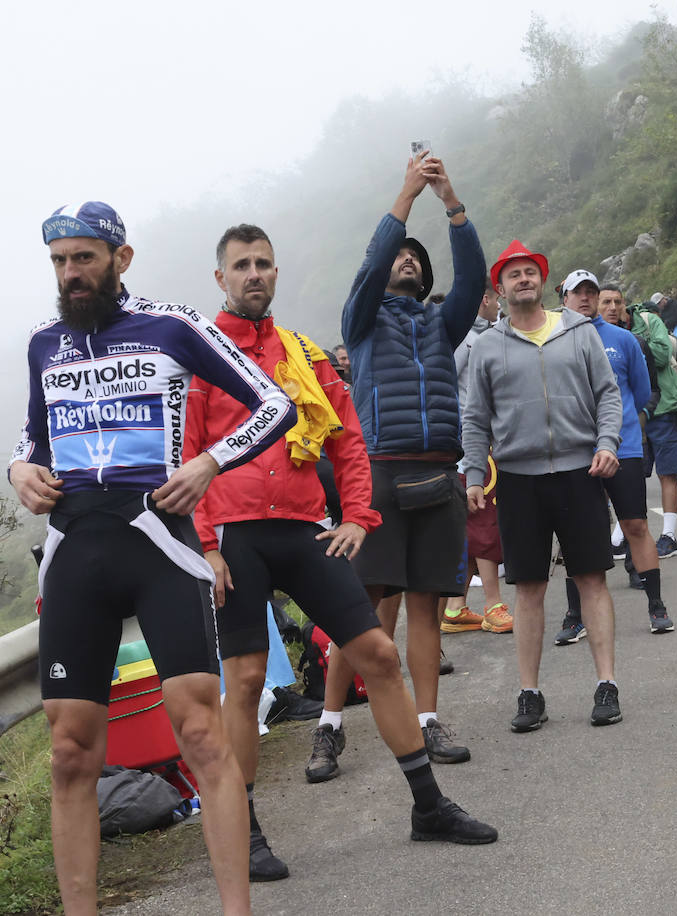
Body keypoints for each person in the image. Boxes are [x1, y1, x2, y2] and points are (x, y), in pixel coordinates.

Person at [11, 202, 298, 915]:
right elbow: (31, 440)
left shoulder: (170, 326)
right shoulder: (44, 343)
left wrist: (207, 463)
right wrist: (19, 470)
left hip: (159, 543)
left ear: (121, 258)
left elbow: (274, 404)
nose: (71, 274)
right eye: (59, 261)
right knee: (71, 752)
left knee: (200, 732)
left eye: (84, 258)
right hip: (75, 551)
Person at [186, 225, 497, 879]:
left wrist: (358, 514)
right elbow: (184, 454)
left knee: (378, 656)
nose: (254, 274)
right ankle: (245, 834)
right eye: (240, 265)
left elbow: (349, 439)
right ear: (220, 278)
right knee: (243, 683)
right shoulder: (201, 357)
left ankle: (428, 807)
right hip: (235, 533)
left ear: (276, 273)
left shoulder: (301, 352)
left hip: (303, 529)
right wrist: (205, 546)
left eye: (263, 264)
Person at [326, 151, 484, 776]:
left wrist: (452, 204)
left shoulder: (441, 325)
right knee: (363, 613)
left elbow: (471, 281)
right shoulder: (360, 323)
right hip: (380, 474)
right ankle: (330, 724)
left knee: (426, 609)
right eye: (401, 253)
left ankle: (427, 723)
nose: (407, 258)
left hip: (439, 473)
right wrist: (406, 195)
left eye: (416, 257)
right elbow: (370, 267)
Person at [462, 241, 625, 731]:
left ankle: (607, 684)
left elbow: (607, 394)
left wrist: (608, 443)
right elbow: (475, 417)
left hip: (581, 472)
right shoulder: (487, 346)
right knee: (529, 587)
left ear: (542, 279)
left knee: (592, 577)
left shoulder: (578, 331)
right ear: (500, 287)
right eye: (513, 274)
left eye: (529, 271)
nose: (522, 279)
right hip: (517, 479)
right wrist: (474, 473)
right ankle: (529, 692)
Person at [555, 269, 673, 642]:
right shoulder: (554, 339)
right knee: (576, 534)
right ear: (565, 299)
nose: (586, 299)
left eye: (593, 292)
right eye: (579, 293)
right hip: (574, 451)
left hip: (624, 448)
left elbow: (640, 393)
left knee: (635, 525)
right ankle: (575, 616)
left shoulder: (623, 340)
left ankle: (656, 604)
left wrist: (620, 427)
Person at [442, 287, 512, 635]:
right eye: (496, 298)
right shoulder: (465, 339)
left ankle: (455, 608)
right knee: (484, 518)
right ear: (483, 298)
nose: (499, 304)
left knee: (469, 525)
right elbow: (443, 383)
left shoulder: (481, 336)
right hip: (472, 444)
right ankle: (493, 604)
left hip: (475, 442)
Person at [629, 295, 677, 558]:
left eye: (616, 303)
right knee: (628, 476)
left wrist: (634, 345)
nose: (611, 309)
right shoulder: (604, 331)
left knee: (667, 473)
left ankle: (668, 536)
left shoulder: (648, 320)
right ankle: (623, 536)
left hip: (663, 408)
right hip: (630, 414)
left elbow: (662, 353)